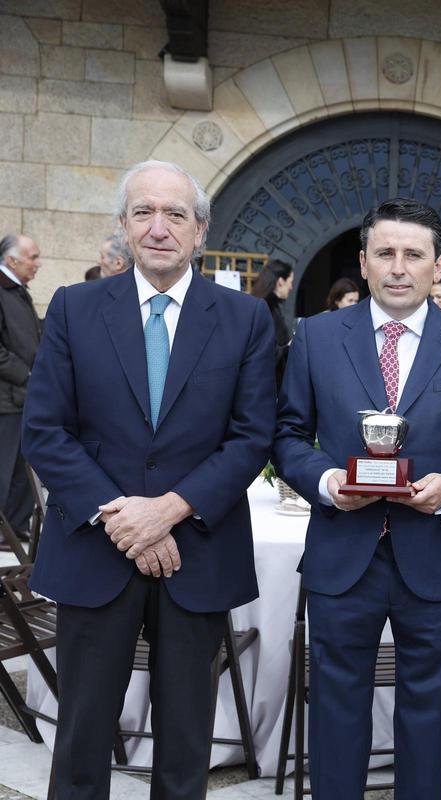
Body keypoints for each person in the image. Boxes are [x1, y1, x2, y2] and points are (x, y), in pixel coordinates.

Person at [21, 160, 275, 799]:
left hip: (198, 552)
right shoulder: (75, 309)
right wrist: (121, 513)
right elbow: (46, 431)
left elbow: (250, 438)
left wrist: (169, 510)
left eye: (175, 215)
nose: (159, 228)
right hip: (94, 549)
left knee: (187, 737)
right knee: (80, 735)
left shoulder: (244, 319)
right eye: (143, 213)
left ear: (200, 231)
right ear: (124, 227)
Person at [272, 198, 441, 799]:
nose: (399, 267)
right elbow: (288, 434)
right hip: (342, 553)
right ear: (364, 261)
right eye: (386, 253)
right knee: (334, 711)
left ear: (438, 265)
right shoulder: (316, 338)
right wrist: (327, 483)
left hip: (436, 554)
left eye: (413, 254)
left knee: (429, 717)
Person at [0, 234, 42, 540]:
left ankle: (14, 527)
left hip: (23, 398)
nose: (38, 263)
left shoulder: (17, 291)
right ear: (12, 260)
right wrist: (27, 374)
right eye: (33, 257)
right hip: (6, 400)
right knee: (4, 470)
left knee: (21, 470)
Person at [250, 259, 294, 387]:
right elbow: (267, 352)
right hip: (265, 384)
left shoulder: (262, 305)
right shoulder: (266, 308)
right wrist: (290, 346)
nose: (291, 287)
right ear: (280, 282)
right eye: (290, 282)